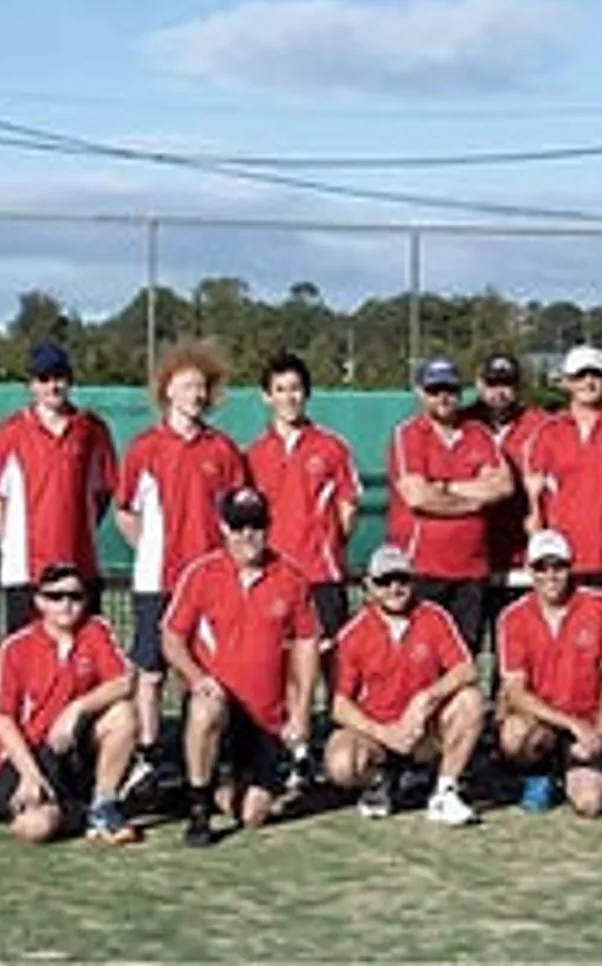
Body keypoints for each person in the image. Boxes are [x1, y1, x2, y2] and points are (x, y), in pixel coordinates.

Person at [116, 341, 248, 793]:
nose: (196, 394)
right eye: (187, 385)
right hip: (155, 582)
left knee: (208, 673)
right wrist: (150, 552)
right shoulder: (143, 448)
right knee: (151, 673)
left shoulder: (224, 450)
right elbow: (125, 512)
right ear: (167, 390)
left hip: (209, 585)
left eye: (201, 387)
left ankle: (208, 758)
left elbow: (237, 519)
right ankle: (149, 758)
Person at [162, 487, 321, 847]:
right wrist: (198, 678)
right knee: (205, 708)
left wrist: (300, 713)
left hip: (266, 717)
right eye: (238, 526)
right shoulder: (200, 574)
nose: (248, 535)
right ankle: (199, 808)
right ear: (223, 528)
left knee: (253, 815)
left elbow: (306, 644)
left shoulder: (292, 578)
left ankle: (214, 782)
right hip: (218, 706)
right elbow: (172, 638)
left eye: (256, 525)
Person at [323, 545, 483, 826]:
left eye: (402, 579)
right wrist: (385, 734)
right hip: (376, 735)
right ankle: (378, 782)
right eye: (384, 581)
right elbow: (339, 705)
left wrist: (427, 697)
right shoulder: (353, 633)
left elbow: (466, 669)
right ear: (368, 586)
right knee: (341, 762)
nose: (394, 588)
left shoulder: (434, 617)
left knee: (470, 701)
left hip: (424, 731)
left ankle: (444, 791)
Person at [0, 563, 142, 846]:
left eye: (75, 596)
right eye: (55, 596)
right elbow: (3, 718)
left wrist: (76, 709)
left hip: (73, 747)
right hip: (28, 754)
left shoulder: (96, 630)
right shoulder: (15, 647)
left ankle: (103, 805)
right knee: (36, 828)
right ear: (39, 601)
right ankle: (84, 813)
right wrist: (30, 775)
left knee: (124, 713)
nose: (66, 604)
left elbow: (125, 682)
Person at [494, 530, 602, 818]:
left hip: (589, 720)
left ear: (571, 567)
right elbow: (516, 691)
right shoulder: (512, 617)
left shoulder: (599, 605)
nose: (550, 576)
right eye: (541, 568)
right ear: (529, 571)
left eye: (558, 567)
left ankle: (588, 772)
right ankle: (539, 773)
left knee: (591, 803)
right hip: (544, 723)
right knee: (514, 733)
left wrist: (600, 733)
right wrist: (571, 724)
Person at [387, 356, 513, 654]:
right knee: (421, 658)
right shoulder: (409, 434)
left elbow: (503, 486)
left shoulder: (478, 433)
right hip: (422, 569)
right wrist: (473, 502)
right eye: (434, 390)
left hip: (471, 571)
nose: (443, 397)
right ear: (420, 393)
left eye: (450, 390)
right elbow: (418, 497)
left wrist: (444, 487)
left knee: (466, 658)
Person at [0, 341, 117, 626]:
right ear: (31, 385)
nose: (52, 386)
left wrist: (76, 527)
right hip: (24, 572)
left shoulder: (92, 429)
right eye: (43, 379)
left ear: (70, 380)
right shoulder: (9, 432)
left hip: (80, 566)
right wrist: (10, 547)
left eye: (59, 377)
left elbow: (103, 493)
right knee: (26, 649)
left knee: (85, 648)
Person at [524, 345, 602, 621]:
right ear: (567, 382)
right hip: (564, 562)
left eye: (595, 375)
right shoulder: (547, 434)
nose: (588, 382)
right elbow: (534, 505)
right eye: (580, 376)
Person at [246, 351, 361, 643]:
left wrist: (326, 546)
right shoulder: (252, 454)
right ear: (266, 397)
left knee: (331, 659)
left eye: (295, 389)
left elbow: (347, 511)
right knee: (275, 662)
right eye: (280, 390)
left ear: (307, 393)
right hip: (272, 576)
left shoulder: (333, 447)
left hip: (322, 576)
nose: (289, 398)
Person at [464, 352, 548, 639]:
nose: (499, 392)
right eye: (492, 384)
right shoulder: (462, 423)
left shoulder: (540, 425)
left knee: (518, 645)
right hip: (470, 553)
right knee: (466, 644)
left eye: (507, 384)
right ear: (478, 384)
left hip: (521, 554)